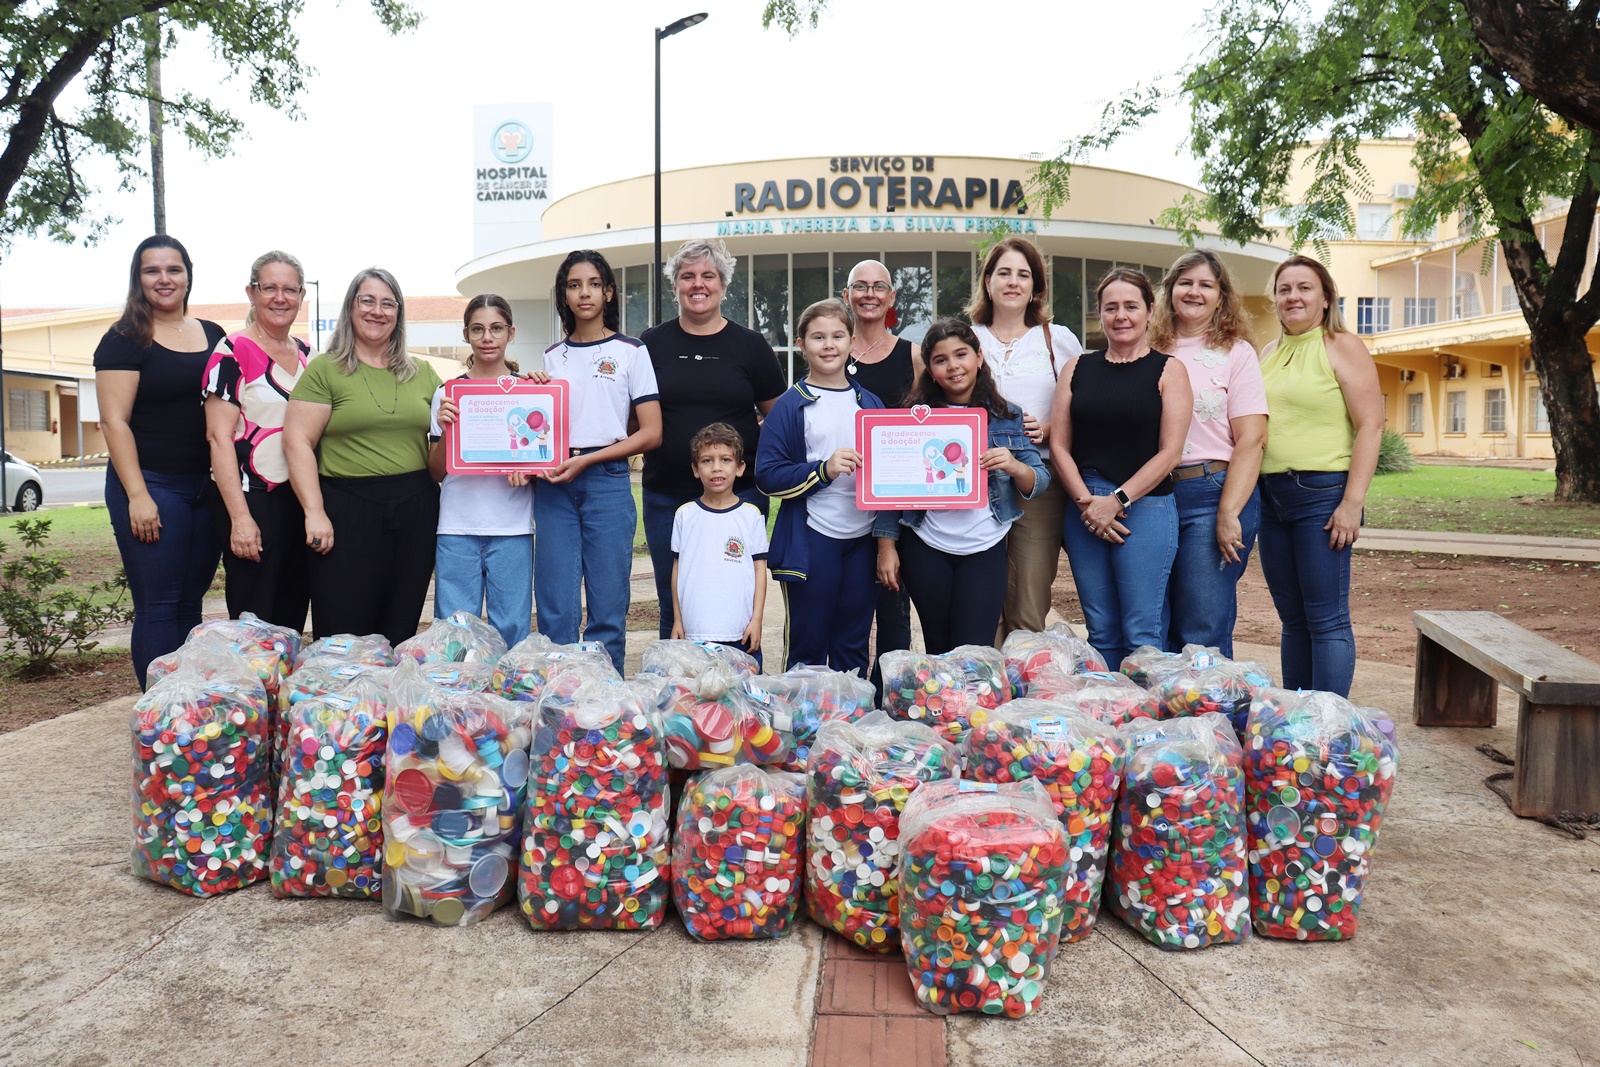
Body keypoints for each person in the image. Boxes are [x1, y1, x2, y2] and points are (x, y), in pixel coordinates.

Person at [283, 268, 443, 647]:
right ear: (351, 308)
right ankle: (341, 705)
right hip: (346, 508)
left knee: (401, 622)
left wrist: (522, 385)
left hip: (414, 508)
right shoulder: (326, 369)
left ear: (399, 313)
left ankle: (389, 702)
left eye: (388, 303)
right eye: (367, 300)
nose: (377, 311)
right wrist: (314, 512)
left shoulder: (422, 373)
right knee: (343, 624)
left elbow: (470, 416)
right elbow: (297, 442)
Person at [874, 318, 1050, 654]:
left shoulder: (1007, 415)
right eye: (941, 360)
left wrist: (1013, 465)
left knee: (974, 652)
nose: (954, 366)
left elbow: (1039, 482)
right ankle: (946, 707)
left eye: (961, 354)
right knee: (939, 649)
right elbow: (890, 489)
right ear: (930, 368)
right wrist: (886, 547)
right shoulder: (913, 417)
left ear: (979, 357)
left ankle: (971, 709)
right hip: (926, 544)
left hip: (985, 547)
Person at [94, 235, 224, 688]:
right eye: (152, 271)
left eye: (174, 270)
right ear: (138, 279)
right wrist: (138, 496)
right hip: (150, 485)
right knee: (159, 604)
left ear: (188, 276)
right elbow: (114, 422)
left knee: (191, 603)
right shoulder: (125, 339)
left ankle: (187, 712)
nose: (164, 279)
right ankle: (160, 714)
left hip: (203, 488)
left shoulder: (213, 335)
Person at [640, 238, 787, 638]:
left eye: (708, 275)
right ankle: (678, 695)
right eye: (687, 276)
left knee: (736, 600)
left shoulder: (750, 346)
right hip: (667, 495)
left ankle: (741, 695)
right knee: (676, 604)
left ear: (723, 285)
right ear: (675, 287)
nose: (698, 284)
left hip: (741, 497)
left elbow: (780, 418)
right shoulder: (649, 345)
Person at [1049, 268, 1192, 669]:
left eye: (1131, 306)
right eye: (1111, 308)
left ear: (1150, 312)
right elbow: (1059, 443)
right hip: (1084, 505)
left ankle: (1147, 726)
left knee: (1141, 632)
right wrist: (1086, 503)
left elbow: (1170, 453)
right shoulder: (1077, 368)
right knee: (1101, 631)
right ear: (1100, 314)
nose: (1121, 315)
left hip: (1144, 506)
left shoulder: (1169, 370)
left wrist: (1116, 500)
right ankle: (1111, 723)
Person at [1257, 255, 1383, 697]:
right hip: (1269, 498)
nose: (1293, 296)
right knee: (1291, 617)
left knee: (1326, 617)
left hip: (1322, 496)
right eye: (1285, 289)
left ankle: (1327, 725)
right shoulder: (1269, 353)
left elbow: (1371, 424)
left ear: (1325, 298)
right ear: (1275, 299)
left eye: (1304, 288)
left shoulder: (1342, 345)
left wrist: (1352, 503)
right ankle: (1296, 719)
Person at [536, 250, 662, 671]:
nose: (584, 292)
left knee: (608, 604)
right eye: (574, 285)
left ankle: (607, 707)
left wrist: (588, 461)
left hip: (606, 479)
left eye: (593, 283)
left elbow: (651, 432)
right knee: (556, 605)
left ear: (608, 292)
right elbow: (538, 427)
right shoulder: (552, 357)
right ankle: (561, 703)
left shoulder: (631, 351)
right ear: (564, 294)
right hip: (554, 481)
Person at [1149, 250, 1269, 657]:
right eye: (1185, 282)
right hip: (1152, 496)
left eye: (1206, 284)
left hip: (1211, 492)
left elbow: (1252, 439)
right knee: (1152, 621)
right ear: (1169, 291)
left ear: (1221, 296)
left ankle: (1208, 719)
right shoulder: (1147, 348)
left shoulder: (1237, 353)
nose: (1194, 291)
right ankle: (1160, 717)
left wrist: (1228, 512)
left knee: (1202, 623)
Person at [756, 298, 885, 672]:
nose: (828, 345)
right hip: (814, 537)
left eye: (837, 336)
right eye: (818, 337)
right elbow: (767, 475)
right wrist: (823, 470)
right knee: (809, 643)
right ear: (801, 345)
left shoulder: (871, 404)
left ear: (851, 341)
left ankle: (849, 725)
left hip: (863, 538)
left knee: (854, 641)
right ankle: (805, 725)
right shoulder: (790, 405)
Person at [969, 236, 1085, 639]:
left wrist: (1051, 429)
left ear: (1036, 286)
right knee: (980, 597)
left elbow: (1082, 408)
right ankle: (983, 689)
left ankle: (1024, 691)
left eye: (1024, 274)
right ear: (988, 282)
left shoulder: (1058, 340)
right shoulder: (968, 339)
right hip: (974, 485)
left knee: (1028, 597)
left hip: (1038, 482)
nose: (1013, 282)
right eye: (1004, 273)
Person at [203, 250, 313, 633]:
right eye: (269, 288)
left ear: (302, 297)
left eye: (289, 289)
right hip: (252, 499)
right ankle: (254, 693)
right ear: (252, 293)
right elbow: (218, 438)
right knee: (256, 621)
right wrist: (240, 519)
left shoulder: (306, 356)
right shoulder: (232, 351)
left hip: (298, 501)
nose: (279, 297)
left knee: (292, 615)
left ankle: (285, 693)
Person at [426, 294, 536, 648]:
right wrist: (446, 430)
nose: (487, 337)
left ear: (511, 333)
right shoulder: (447, 394)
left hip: (513, 527)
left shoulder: (531, 391)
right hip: (457, 527)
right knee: (455, 636)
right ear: (466, 334)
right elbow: (436, 472)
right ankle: (458, 701)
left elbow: (543, 456)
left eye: (496, 328)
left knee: (512, 629)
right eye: (478, 329)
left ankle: (510, 700)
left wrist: (530, 470)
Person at [839, 259, 919, 695]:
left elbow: (940, 417)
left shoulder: (913, 354)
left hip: (894, 502)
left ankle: (893, 698)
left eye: (879, 287)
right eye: (860, 286)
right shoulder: (831, 346)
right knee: (846, 606)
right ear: (847, 295)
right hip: (840, 500)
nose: (870, 294)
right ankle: (843, 696)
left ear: (891, 297)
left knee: (892, 603)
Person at [671, 422, 770, 663]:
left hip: (739, 633)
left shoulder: (751, 515)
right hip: (694, 633)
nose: (717, 468)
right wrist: (678, 619)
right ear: (696, 469)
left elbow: (759, 571)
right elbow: (677, 569)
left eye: (725, 460)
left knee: (741, 697)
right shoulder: (684, 514)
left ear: (740, 467)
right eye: (707, 461)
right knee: (698, 697)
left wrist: (756, 620)